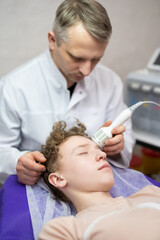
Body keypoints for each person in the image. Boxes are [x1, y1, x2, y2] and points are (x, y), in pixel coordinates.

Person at [0, 0, 135, 185]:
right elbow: (2, 148)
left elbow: (125, 138)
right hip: (40, 186)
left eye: (96, 59)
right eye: (77, 58)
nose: (87, 71)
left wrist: (118, 146)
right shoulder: (14, 87)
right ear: (53, 40)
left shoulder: (110, 82)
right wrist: (16, 162)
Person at [38, 120, 160, 240]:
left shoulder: (151, 193)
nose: (103, 155)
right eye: (83, 153)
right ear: (58, 179)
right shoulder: (64, 230)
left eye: (99, 150)